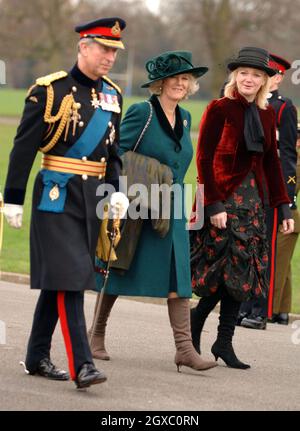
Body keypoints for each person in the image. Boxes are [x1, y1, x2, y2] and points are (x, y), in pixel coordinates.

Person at [3, 17, 129, 389]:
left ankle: (36, 355)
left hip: (91, 200)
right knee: (73, 278)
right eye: (104, 49)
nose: (109, 57)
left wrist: (117, 188)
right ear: (83, 46)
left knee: (61, 278)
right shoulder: (50, 91)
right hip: (55, 195)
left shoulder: (113, 95)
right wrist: (13, 200)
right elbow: (23, 147)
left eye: (114, 52)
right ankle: (84, 366)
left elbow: (113, 149)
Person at [89, 50, 217, 373]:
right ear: (160, 83)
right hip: (138, 205)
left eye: (185, 78)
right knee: (121, 269)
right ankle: (95, 336)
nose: (180, 83)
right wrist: (139, 181)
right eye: (174, 77)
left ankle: (185, 349)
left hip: (171, 205)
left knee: (179, 275)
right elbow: (116, 152)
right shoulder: (142, 113)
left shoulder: (186, 117)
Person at [190, 47, 294, 369]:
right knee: (222, 274)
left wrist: (284, 207)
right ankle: (195, 323)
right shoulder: (219, 109)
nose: (249, 79)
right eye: (244, 74)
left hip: (255, 203)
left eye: (256, 75)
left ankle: (223, 342)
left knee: (244, 275)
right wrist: (214, 203)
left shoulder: (265, 115)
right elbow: (204, 159)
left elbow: (272, 164)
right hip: (223, 200)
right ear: (236, 77)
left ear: (265, 81)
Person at [240, 53, 298, 329]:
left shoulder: (284, 108)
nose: (268, 78)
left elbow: (286, 156)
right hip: (250, 184)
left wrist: (286, 194)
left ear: (279, 78)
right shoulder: (249, 103)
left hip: (272, 186)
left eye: (273, 74)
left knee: (270, 252)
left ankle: (263, 311)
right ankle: (244, 305)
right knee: (249, 246)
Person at [271, 122, 300, 324]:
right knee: (285, 267)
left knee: (277, 266)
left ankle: (270, 310)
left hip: (286, 217)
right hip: (288, 217)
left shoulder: (295, 161)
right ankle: (282, 311)